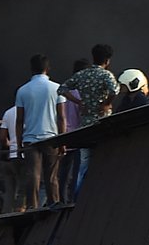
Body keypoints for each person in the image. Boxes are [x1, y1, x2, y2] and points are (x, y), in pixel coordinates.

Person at [57, 44, 120, 197]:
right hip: (103, 124)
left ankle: (78, 197)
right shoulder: (106, 75)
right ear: (107, 60)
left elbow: (62, 89)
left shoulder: (82, 75)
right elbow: (114, 90)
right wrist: (106, 103)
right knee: (103, 161)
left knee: (83, 165)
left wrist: (79, 102)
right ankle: (100, 194)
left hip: (85, 125)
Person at [15, 54, 66, 208]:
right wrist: (63, 141)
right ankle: (54, 206)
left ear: (31, 69)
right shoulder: (57, 88)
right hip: (51, 137)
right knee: (51, 177)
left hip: (30, 138)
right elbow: (61, 117)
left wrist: (19, 143)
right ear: (47, 68)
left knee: (33, 176)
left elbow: (19, 120)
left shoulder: (22, 90)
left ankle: (32, 208)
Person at [57, 57, 88, 203]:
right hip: (78, 134)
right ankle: (74, 200)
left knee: (63, 171)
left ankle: (61, 199)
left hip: (63, 134)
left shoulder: (65, 91)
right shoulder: (82, 93)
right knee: (77, 170)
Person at [0, 104, 25, 213]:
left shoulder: (8, 112)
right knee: (23, 188)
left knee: (9, 191)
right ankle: (19, 214)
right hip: (22, 155)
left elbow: (2, 137)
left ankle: (6, 214)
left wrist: (9, 145)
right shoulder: (29, 112)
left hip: (7, 157)